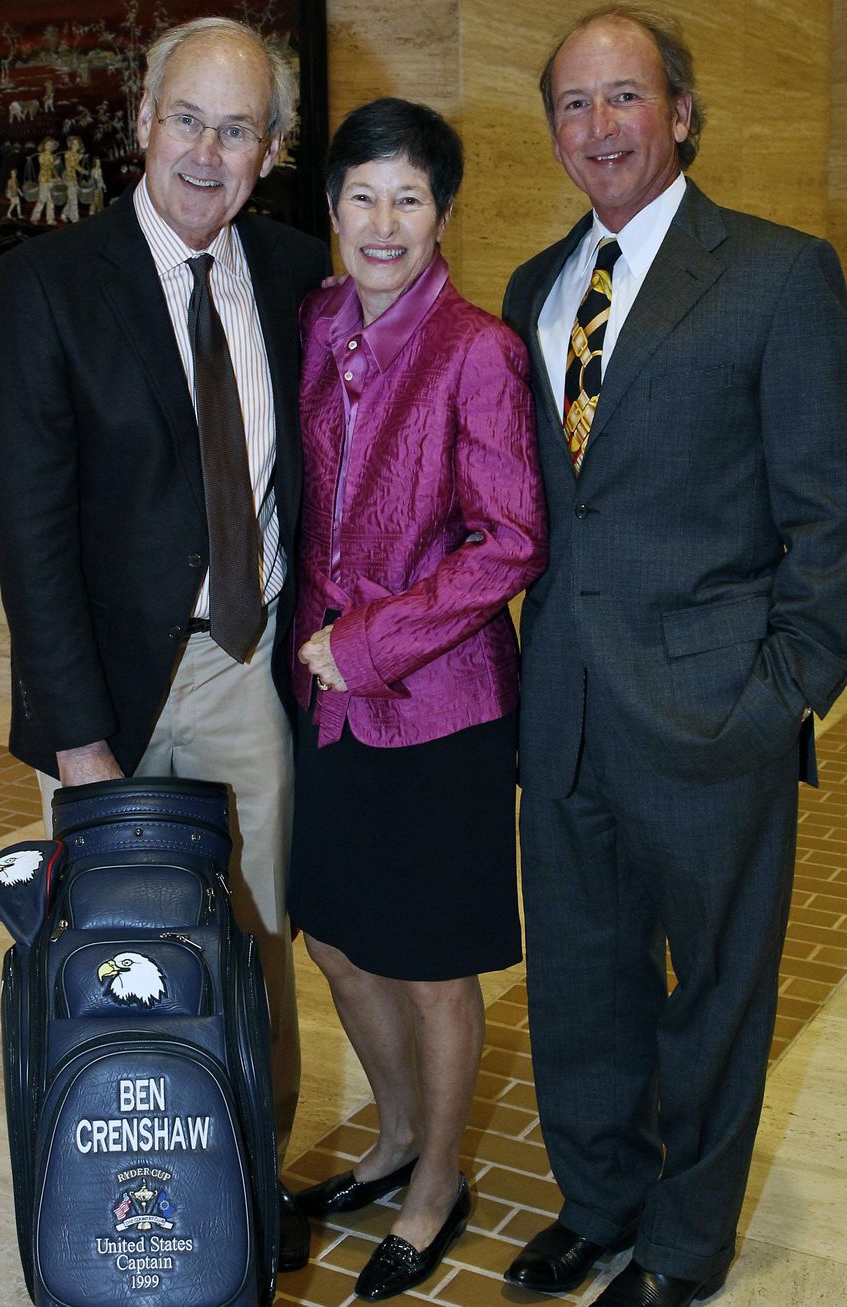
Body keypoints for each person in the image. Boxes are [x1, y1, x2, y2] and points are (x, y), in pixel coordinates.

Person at [501, 7, 847, 1306]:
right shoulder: (533, 288)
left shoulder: (778, 274)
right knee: (579, 979)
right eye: (573, 103)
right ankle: (599, 1198)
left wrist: (783, 690)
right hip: (563, 711)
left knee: (715, 991)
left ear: (681, 110)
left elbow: (831, 511)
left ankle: (682, 1243)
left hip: (715, 713)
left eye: (624, 96)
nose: (598, 125)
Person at [0, 16, 331, 1272]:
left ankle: (245, 1185)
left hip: (244, 667)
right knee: (111, 953)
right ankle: (110, 1194)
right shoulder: (47, 285)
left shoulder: (295, 274)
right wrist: (78, 742)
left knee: (255, 945)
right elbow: (30, 536)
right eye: (186, 119)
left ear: (270, 150)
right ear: (140, 122)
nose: (205, 152)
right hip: (107, 694)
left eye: (236, 130)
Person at [289, 97, 547, 1301]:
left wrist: (371, 640)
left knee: (434, 964)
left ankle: (438, 1181)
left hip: (440, 703)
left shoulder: (476, 350)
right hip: (324, 695)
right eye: (362, 195)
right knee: (336, 937)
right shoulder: (315, 321)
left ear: (442, 214)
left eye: (408, 197)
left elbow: (511, 539)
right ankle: (394, 1134)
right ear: (331, 207)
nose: (382, 222)